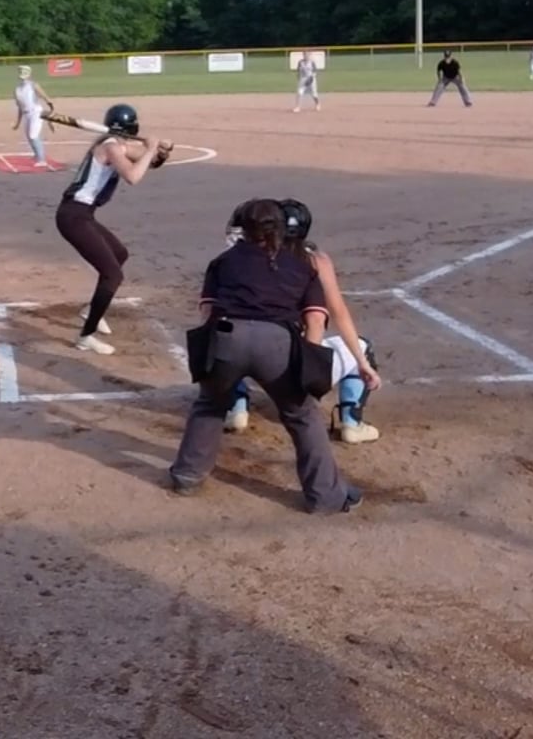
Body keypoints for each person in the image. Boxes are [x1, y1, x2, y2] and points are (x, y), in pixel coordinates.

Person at [168, 199, 380, 512]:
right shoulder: (303, 264)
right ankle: (326, 496)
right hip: (277, 345)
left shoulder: (223, 261)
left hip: (227, 337)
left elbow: (207, 312)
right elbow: (315, 320)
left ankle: (187, 475)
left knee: (209, 403)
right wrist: (310, 370)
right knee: (302, 416)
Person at [222, 199, 380, 444]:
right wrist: (311, 374)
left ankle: (237, 407)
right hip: (287, 366)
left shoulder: (249, 257)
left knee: (233, 338)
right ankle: (351, 422)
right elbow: (326, 317)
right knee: (364, 347)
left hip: (248, 364)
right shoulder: (316, 261)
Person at [54, 103, 169, 356]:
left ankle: (90, 310)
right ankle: (85, 337)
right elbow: (133, 176)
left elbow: (150, 162)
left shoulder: (118, 145)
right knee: (113, 275)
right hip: (73, 216)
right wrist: (151, 148)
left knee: (119, 254)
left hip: (82, 214)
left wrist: (161, 152)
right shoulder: (110, 147)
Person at [10, 64, 56, 170]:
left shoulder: (33, 85)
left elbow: (46, 97)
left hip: (36, 112)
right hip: (26, 114)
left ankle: (41, 160)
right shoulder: (17, 90)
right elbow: (20, 108)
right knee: (29, 136)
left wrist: (51, 111)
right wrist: (17, 123)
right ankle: (36, 155)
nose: (24, 78)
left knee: (33, 135)